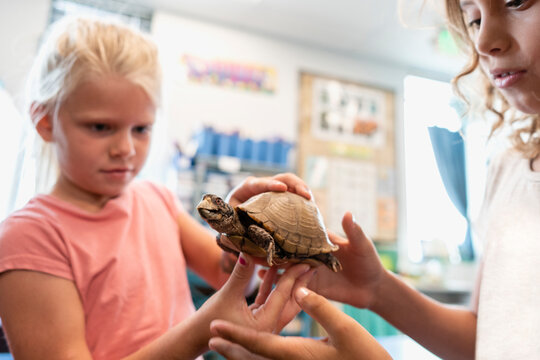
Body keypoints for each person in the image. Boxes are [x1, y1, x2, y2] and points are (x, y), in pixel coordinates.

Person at [207, 0, 540, 359]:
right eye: (473, 19)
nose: (483, 39)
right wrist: (377, 287)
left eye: (515, 1)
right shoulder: (509, 167)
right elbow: (487, 339)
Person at [0, 16, 314, 360]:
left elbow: (230, 277)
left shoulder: (156, 200)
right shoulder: (29, 237)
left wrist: (238, 228)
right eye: (101, 126)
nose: (126, 148)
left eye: (141, 129)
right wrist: (200, 330)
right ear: (45, 122)